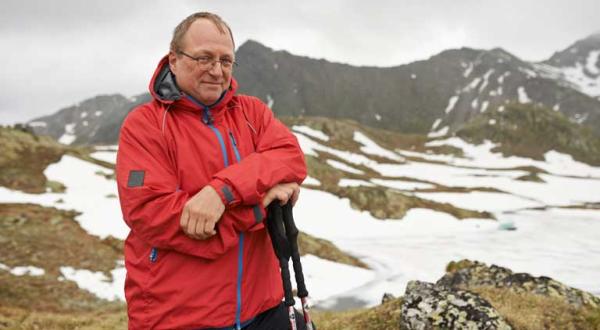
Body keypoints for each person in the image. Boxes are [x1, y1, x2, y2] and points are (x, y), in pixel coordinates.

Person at [116, 12, 308, 329]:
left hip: (264, 306)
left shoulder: (252, 112)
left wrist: (222, 192)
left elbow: (289, 157)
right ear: (174, 60)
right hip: (179, 316)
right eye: (204, 58)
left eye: (226, 61)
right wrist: (257, 210)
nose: (217, 71)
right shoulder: (145, 125)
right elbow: (151, 213)